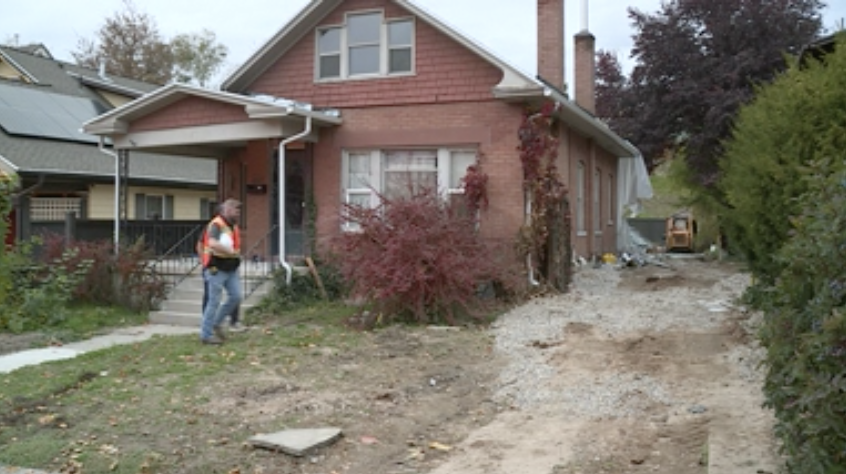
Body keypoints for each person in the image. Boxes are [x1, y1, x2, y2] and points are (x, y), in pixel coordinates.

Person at [199, 198, 243, 345]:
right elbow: (212, 243)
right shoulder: (216, 224)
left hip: (230, 267)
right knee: (214, 301)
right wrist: (228, 250)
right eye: (236, 210)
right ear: (227, 210)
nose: (238, 213)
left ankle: (217, 323)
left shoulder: (233, 226)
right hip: (216, 267)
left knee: (236, 296)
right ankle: (206, 334)